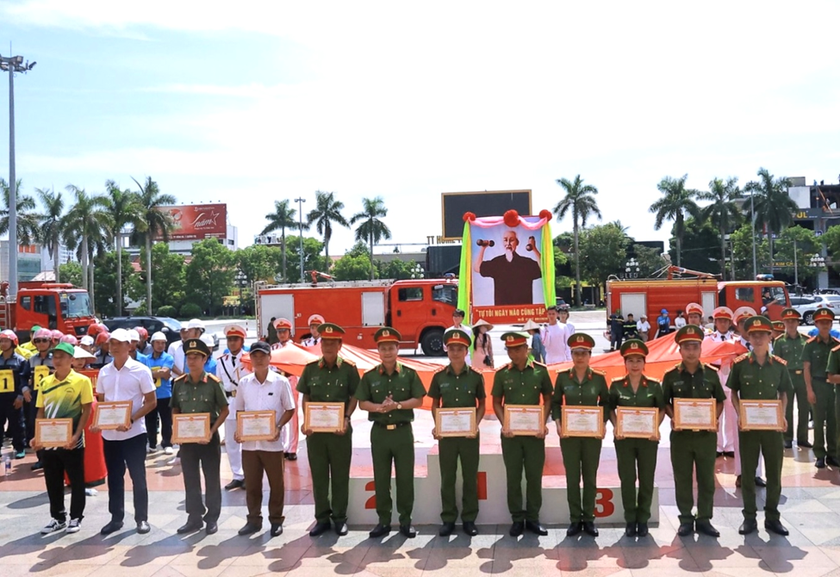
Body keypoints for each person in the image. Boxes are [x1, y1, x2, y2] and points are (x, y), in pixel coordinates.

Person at [355, 327, 426, 539]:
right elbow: (362, 402)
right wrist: (378, 408)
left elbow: (419, 400)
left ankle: (406, 520)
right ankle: (383, 521)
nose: (387, 352)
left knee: (405, 478)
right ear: (378, 350)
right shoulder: (369, 376)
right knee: (381, 478)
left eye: (391, 347)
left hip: (403, 432)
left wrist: (397, 406)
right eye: (383, 348)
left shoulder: (409, 374)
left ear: (398, 349)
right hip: (380, 433)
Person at [726, 315, 792, 536]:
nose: (758, 338)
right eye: (753, 335)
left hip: (772, 428)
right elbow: (733, 392)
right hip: (749, 428)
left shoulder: (779, 366)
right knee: (747, 472)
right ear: (748, 337)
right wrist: (739, 414)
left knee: (774, 473)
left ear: (770, 336)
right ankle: (749, 517)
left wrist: (782, 415)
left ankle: (773, 517)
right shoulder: (740, 364)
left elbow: (783, 392)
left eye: (762, 334)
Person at [662, 326, 726, 538]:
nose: (691, 351)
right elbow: (665, 402)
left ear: (700, 349)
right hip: (681, 436)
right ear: (680, 350)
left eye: (695, 347)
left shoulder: (711, 374)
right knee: (683, 477)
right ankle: (686, 519)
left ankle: (704, 518)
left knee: (707, 478)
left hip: (706, 437)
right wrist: (674, 417)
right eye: (686, 347)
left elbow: (719, 401)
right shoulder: (671, 376)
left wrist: (714, 418)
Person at [297, 323, 360, 537]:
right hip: (316, 434)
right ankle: (321, 518)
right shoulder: (311, 368)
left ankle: (340, 518)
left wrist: (347, 418)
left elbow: (355, 396)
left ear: (340, 345)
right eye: (325, 342)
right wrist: (307, 421)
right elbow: (305, 396)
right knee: (319, 476)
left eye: (333, 343)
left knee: (340, 476)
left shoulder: (349, 369)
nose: (328, 346)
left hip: (340, 432)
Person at [93, 328, 157, 535]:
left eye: (119, 343)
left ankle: (142, 519)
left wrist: (130, 418)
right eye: (111, 343)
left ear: (129, 345)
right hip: (110, 435)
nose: (113, 346)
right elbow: (101, 401)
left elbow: (151, 402)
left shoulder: (140, 370)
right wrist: (102, 421)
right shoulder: (104, 371)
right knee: (114, 477)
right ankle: (116, 518)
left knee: (138, 477)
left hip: (134, 433)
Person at [492, 331, 553, 537]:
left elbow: (548, 398)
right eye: (509, 349)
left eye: (518, 349)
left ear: (527, 349)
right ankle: (517, 518)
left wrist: (542, 423)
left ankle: (533, 518)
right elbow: (496, 402)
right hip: (511, 436)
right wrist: (504, 424)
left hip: (535, 434)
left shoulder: (540, 372)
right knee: (514, 477)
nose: (513, 353)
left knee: (535, 476)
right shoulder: (502, 374)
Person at [234, 340, 296, 537]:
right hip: (250, 445)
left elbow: (290, 408)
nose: (259, 359)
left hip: (272, 443)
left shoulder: (280, 382)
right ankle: (253, 520)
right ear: (250, 359)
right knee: (252, 485)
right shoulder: (244, 383)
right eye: (255, 356)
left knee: (276, 484)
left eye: (262, 356)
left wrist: (278, 427)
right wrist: (239, 430)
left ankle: (276, 520)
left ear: (270, 358)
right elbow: (240, 410)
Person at [429, 328, 485, 537]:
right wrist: (438, 425)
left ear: (465, 350)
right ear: (447, 350)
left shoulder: (476, 377)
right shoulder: (439, 377)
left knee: (470, 477)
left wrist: (476, 424)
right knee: (448, 477)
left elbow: (482, 403)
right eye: (451, 348)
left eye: (459, 348)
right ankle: (448, 518)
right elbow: (435, 403)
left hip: (470, 436)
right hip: (448, 437)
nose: (455, 352)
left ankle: (469, 518)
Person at [170, 338, 229, 535]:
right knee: (190, 479)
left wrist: (213, 431)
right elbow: (175, 407)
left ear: (204, 359)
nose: (191, 360)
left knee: (211, 478)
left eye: (196, 357)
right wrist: (175, 430)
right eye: (189, 357)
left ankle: (212, 517)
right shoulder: (179, 384)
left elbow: (224, 409)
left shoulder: (213, 383)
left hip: (208, 436)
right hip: (187, 439)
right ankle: (194, 517)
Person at [33, 341, 93, 535]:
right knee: (52, 479)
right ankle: (58, 517)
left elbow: (86, 410)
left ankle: (76, 517)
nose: (57, 360)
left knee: (76, 480)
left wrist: (76, 434)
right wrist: (37, 436)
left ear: (71, 360)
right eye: (54, 357)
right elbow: (40, 411)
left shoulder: (81, 381)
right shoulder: (45, 382)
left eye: (61, 357)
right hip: (50, 441)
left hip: (72, 440)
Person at [552, 333, 608, 537]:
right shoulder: (562, 377)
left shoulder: (599, 378)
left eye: (584, 353)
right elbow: (556, 403)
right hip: (569, 436)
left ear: (590, 355)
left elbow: (605, 402)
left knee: (590, 477)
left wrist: (602, 424)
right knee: (572, 477)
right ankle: (575, 518)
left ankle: (589, 519)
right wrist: (558, 423)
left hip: (592, 436)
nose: (580, 357)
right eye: (576, 353)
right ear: (571, 354)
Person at [609, 339, 664, 537]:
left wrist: (654, 427)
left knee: (646, 478)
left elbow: (662, 408)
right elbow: (609, 409)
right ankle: (630, 519)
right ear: (624, 362)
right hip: (624, 439)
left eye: (638, 360)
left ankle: (643, 518)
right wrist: (617, 426)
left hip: (647, 440)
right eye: (630, 360)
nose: (634, 364)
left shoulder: (654, 385)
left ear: (644, 363)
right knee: (627, 478)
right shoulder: (616, 386)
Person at [802, 308, 840, 469]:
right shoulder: (810, 345)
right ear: (816, 324)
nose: (825, 325)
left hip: (834, 387)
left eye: (828, 322)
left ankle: (833, 453)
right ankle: (819, 454)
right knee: (818, 421)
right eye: (822, 322)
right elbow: (806, 369)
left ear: (831, 324)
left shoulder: (837, 345)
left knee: (834, 421)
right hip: (817, 385)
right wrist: (809, 390)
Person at [216, 325, 251, 490]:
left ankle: (249, 475)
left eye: (235, 339)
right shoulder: (221, 361)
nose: (232, 343)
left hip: (246, 402)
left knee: (247, 440)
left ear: (242, 341)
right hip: (229, 402)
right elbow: (218, 384)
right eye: (229, 340)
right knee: (231, 441)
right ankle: (237, 475)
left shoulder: (249, 358)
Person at [474, 229, 542, 305]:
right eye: (505, 240)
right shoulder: (497, 263)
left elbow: (544, 268)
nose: (508, 243)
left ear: (517, 243)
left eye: (511, 240)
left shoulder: (526, 263)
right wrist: (483, 248)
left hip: (523, 312)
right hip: (502, 312)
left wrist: (534, 249)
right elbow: (477, 267)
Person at [773, 308, 810, 450]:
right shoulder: (779, 341)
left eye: (793, 321)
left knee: (804, 408)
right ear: (784, 323)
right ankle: (787, 437)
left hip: (803, 377)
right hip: (787, 377)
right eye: (788, 321)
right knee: (786, 408)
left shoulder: (805, 340)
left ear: (798, 323)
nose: (791, 324)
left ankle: (803, 437)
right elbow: (777, 362)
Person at [271, 318, 299, 460]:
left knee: (292, 414)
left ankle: (292, 448)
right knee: (278, 412)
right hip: (276, 380)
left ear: (289, 332)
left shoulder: (294, 347)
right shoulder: (273, 348)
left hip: (290, 379)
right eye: (279, 332)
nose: (282, 334)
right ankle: (281, 446)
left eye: (284, 331)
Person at [0, 330, 31, 459]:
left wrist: (20, 397)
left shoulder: (21, 361)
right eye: (1, 341)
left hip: (14, 398)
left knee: (17, 424)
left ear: (13, 342)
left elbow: (23, 380)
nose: (3, 344)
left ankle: (19, 447)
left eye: (6, 341)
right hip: (0, 397)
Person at [27, 327, 55, 471]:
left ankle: (53, 457)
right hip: (36, 397)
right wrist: (25, 389)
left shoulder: (56, 358)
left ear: (50, 342)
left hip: (53, 396)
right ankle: (41, 458)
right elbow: (24, 377)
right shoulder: (32, 359)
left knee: (52, 425)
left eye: (44, 340)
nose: (41, 343)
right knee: (36, 425)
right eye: (38, 341)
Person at [143, 332, 175, 455]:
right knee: (150, 420)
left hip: (165, 394)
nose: (160, 345)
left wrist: (151, 373)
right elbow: (158, 374)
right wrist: (159, 372)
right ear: (152, 344)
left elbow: (165, 372)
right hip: (150, 394)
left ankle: (167, 443)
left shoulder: (168, 358)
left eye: (163, 343)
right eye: (158, 343)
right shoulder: (146, 359)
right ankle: (151, 443)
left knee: (166, 420)